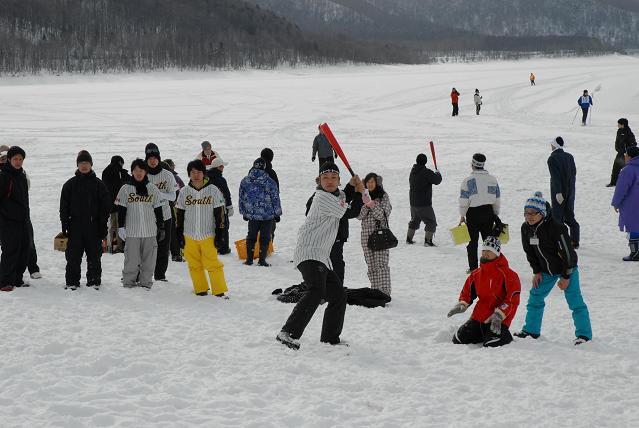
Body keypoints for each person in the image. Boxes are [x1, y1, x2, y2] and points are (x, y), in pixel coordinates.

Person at [276, 162, 349, 350]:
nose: (330, 181)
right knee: (316, 290)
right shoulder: (321, 197)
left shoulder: (339, 196)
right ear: (319, 181)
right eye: (325, 178)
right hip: (309, 251)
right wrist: (356, 189)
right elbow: (344, 211)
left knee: (339, 295)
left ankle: (330, 338)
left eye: (334, 178)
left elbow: (347, 203)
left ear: (339, 180)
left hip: (322, 256)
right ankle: (288, 332)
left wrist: (356, 189)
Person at [515, 192, 592, 345]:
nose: (528, 217)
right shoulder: (526, 228)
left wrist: (566, 276)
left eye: (532, 213)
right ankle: (531, 330)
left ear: (542, 213)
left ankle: (584, 335)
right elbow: (529, 252)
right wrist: (536, 271)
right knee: (535, 298)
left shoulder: (557, 228)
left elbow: (569, 254)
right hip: (545, 271)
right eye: (526, 213)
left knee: (575, 302)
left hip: (567, 268)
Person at [447, 236, 521, 347]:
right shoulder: (476, 274)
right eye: (484, 250)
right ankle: (483, 333)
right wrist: (463, 303)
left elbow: (512, 300)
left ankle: (504, 335)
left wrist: (499, 315)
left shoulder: (510, 275)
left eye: (490, 251)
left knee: (491, 344)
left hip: (499, 319)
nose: (485, 253)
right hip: (479, 316)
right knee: (458, 339)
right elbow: (467, 292)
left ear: (497, 253)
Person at [176, 160, 229, 297]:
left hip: (208, 234)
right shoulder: (184, 191)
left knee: (212, 263)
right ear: (189, 174)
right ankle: (200, 289)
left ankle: (219, 290)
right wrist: (178, 233)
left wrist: (220, 233)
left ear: (204, 173)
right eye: (193, 172)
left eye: (199, 172)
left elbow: (220, 213)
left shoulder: (213, 190)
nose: (196, 175)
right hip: (189, 234)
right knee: (194, 264)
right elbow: (179, 214)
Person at [60, 150, 111, 290]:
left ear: (91, 165)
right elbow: (63, 207)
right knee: (73, 257)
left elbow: (105, 206)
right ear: (77, 165)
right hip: (75, 227)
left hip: (93, 227)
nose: (84, 166)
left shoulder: (99, 185)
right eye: (81, 163)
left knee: (94, 256)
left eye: (86, 163)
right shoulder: (69, 185)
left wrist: (102, 226)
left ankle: (94, 281)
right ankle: (72, 282)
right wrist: (64, 224)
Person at [115, 159, 165, 290]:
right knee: (132, 260)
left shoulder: (152, 188)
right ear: (132, 172)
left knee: (149, 260)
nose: (138, 173)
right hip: (132, 231)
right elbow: (121, 209)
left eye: (141, 170)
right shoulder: (125, 189)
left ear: (145, 172)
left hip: (150, 231)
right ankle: (128, 282)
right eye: (136, 170)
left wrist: (161, 227)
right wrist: (120, 227)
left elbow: (158, 209)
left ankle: (145, 283)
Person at [459, 153, 502, 273]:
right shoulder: (492, 180)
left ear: (472, 164)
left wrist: (462, 215)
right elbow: (497, 198)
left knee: (472, 242)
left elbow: (464, 200)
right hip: (488, 212)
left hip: (473, 214)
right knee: (489, 241)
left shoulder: (468, 181)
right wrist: (495, 213)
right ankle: (492, 265)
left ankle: (473, 268)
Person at [238, 158, 282, 266]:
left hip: (252, 216)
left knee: (251, 236)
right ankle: (262, 260)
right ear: (264, 167)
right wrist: (277, 213)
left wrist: (243, 212)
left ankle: (249, 260)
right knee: (265, 237)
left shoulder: (245, 181)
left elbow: (241, 198)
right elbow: (275, 198)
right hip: (267, 215)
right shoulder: (269, 181)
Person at [145, 143, 178, 281]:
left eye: (155, 158)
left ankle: (160, 275)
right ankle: (143, 274)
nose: (152, 161)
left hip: (165, 215)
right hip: (146, 217)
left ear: (159, 158)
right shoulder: (141, 173)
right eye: (150, 158)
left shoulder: (168, 174)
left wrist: (159, 194)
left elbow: (173, 196)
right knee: (145, 248)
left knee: (163, 248)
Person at [0, 146, 31, 291]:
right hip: (8, 222)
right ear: (9, 160)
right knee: (10, 251)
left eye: (20, 159)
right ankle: (5, 281)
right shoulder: (4, 176)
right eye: (15, 159)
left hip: (23, 220)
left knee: (24, 250)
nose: (18, 162)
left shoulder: (22, 176)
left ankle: (17, 279)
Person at [358, 172, 393, 298]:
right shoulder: (363, 195)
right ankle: (375, 290)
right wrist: (366, 204)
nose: (370, 184)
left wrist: (371, 204)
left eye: (372, 182)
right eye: (368, 182)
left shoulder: (383, 197)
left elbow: (382, 215)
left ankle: (384, 292)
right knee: (371, 265)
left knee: (381, 265)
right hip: (366, 236)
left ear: (377, 183)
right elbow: (359, 216)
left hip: (380, 235)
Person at [548, 137, 580, 249]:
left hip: (559, 192)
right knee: (569, 215)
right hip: (570, 191)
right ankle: (574, 240)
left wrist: (558, 192)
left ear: (554, 146)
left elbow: (555, 177)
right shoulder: (569, 157)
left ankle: (559, 240)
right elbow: (574, 173)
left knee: (557, 217)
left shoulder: (552, 159)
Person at [407, 153, 442, 246]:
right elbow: (437, 180)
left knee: (414, 220)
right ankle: (428, 241)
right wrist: (438, 173)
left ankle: (408, 239)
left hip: (413, 203)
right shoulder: (426, 172)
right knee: (431, 222)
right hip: (424, 204)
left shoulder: (413, 171)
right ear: (425, 162)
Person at [611, 146, 639, 261]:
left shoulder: (628, 170)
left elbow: (621, 189)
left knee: (633, 226)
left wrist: (616, 203)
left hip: (632, 204)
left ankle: (635, 253)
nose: (625, 157)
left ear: (630, 156)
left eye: (626, 155)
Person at [101, 155, 130, 253]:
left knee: (112, 226)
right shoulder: (118, 172)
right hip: (118, 204)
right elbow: (122, 185)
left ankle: (111, 247)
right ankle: (118, 247)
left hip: (110, 204)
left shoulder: (106, 172)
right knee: (118, 226)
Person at [207, 157, 233, 255]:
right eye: (222, 166)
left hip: (208, 206)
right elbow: (226, 194)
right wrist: (229, 207)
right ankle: (223, 248)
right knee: (223, 226)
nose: (223, 168)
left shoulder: (206, 178)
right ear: (219, 167)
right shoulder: (221, 179)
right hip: (220, 207)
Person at [164, 159, 186, 262]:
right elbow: (182, 191)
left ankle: (174, 252)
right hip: (174, 208)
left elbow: (181, 192)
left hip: (172, 207)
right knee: (174, 231)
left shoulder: (173, 178)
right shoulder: (175, 178)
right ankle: (176, 252)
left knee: (172, 231)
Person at [607, 118, 637, 187]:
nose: (617, 125)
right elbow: (617, 141)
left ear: (623, 125)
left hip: (626, 155)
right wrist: (617, 148)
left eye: (619, 124)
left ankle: (630, 184)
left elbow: (634, 144)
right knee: (615, 168)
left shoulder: (629, 133)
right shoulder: (619, 131)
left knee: (627, 169)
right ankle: (613, 182)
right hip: (620, 153)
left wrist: (628, 152)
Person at [260, 147, 280, 242]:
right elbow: (275, 194)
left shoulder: (252, 171)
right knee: (269, 232)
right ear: (271, 158)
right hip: (269, 209)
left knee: (254, 231)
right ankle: (266, 250)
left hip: (253, 209)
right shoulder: (271, 173)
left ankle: (254, 250)